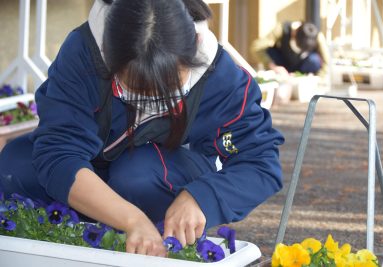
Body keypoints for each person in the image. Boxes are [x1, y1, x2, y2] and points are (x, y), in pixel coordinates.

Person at [0, 0, 284, 257]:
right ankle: (83, 240)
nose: (153, 98)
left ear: (195, 45)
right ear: (107, 56)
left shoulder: (221, 77)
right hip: (92, 169)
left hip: (156, 172)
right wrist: (131, 219)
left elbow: (260, 163)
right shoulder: (84, 52)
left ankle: (159, 246)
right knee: (15, 165)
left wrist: (202, 197)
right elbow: (59, 153)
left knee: (137, 176)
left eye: (170, 86)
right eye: (136, 88)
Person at [252, 21, 329, 76]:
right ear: (294, 33)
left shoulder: (317, 36)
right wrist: (272, 65)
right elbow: (256, 46)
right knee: (269, 51)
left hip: (303, 67)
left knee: (314, 60)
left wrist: (319, 78)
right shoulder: (282, 29)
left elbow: (327, 61)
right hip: (283, 65)